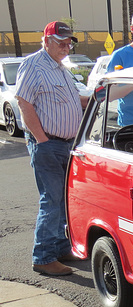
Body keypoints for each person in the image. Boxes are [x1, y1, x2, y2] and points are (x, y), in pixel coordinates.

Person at [15, 21, 88, 276]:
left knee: (63, 200)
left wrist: (98, 96)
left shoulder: (59, 68)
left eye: (69, 43)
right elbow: (24, 102)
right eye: (61, 42)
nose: (66, 47)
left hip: (65, 145)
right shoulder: (34, 65)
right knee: (52, 200)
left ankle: (58, 247)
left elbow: (73, 100)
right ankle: (43, 256)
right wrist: (42, 140)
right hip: (48, 145)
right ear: (46, 41)